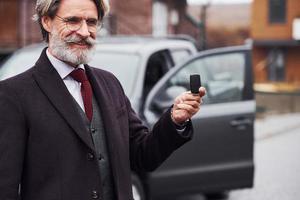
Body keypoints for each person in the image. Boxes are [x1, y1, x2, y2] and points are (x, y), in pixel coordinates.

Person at [0, 0, 206, 199]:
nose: (83, 32)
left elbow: (142, 156)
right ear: (47, 21)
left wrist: (174, 119)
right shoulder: (12, 95)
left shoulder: (110, 83)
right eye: (72, 21)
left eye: (91, 22)